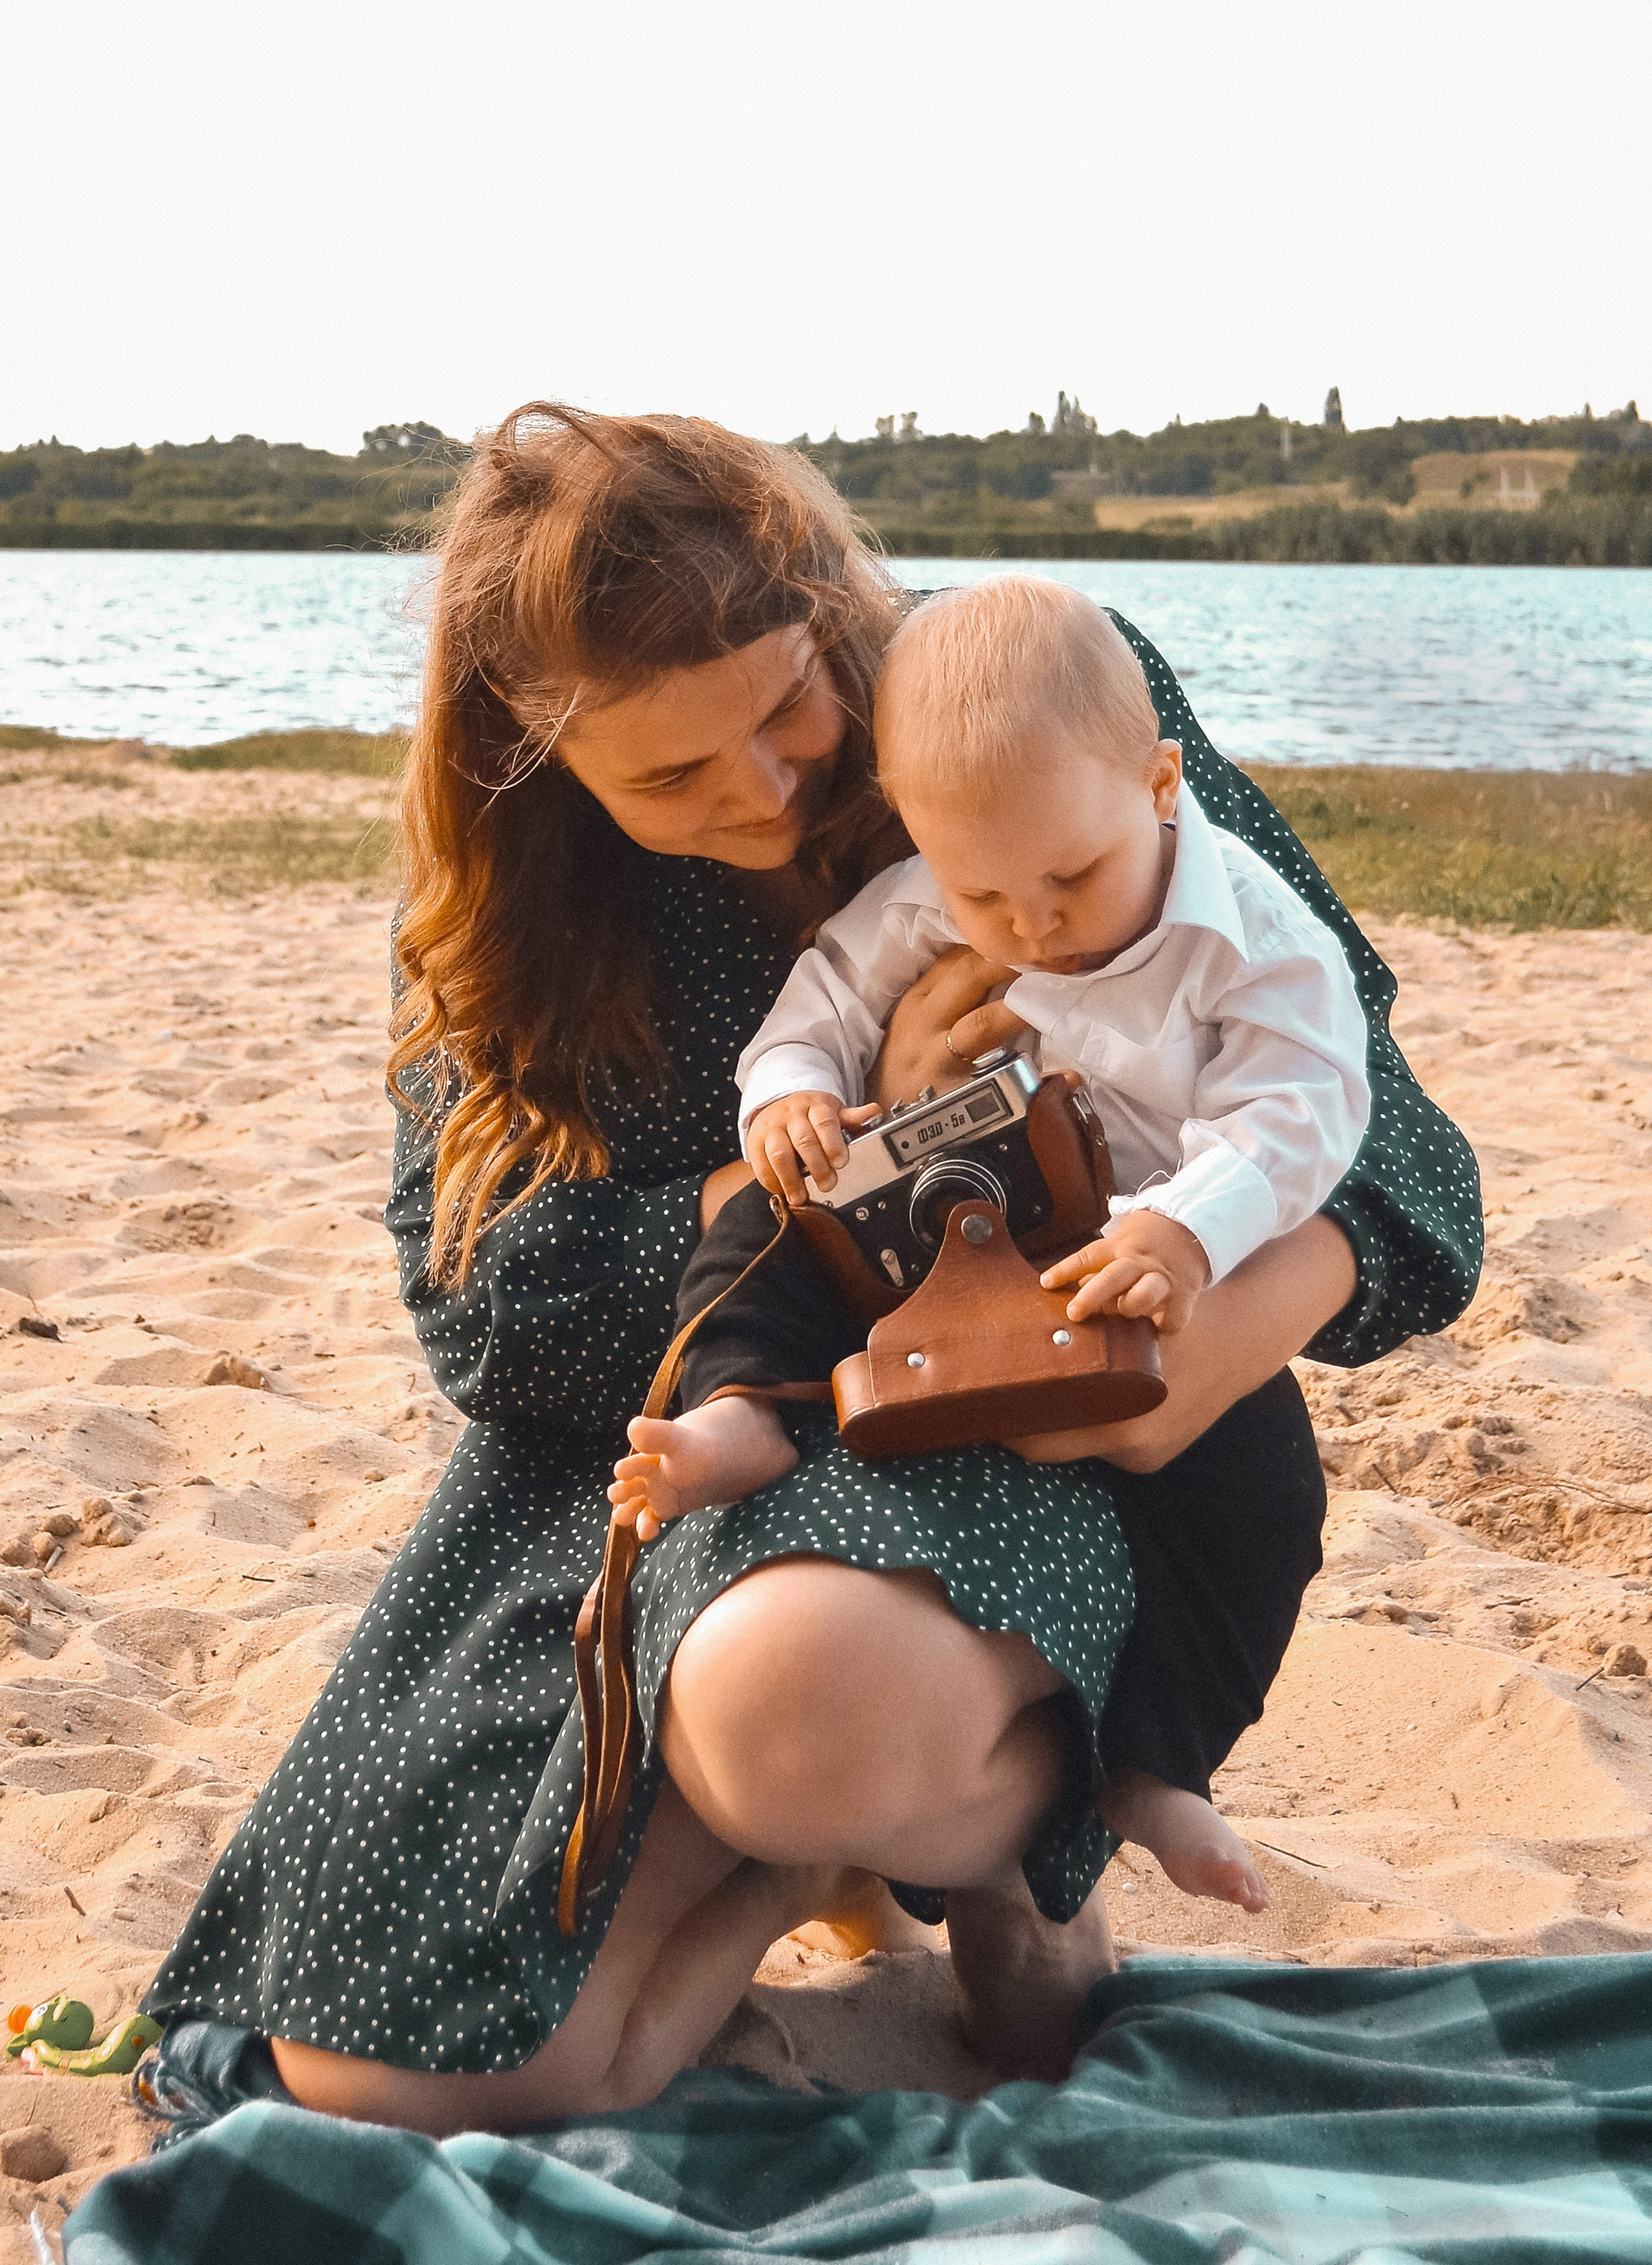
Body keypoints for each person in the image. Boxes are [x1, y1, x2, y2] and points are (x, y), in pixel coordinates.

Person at [139, 405, 1480, 2130]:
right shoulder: (514, 897)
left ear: (824, 609)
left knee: (803, 1712)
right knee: (411, 2077)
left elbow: (1402, 1141)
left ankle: (1017, 1851)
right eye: (671, 777)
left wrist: (1251, 1314)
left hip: (996, 1417)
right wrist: (860, 1156)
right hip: (694, 1426)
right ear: (548, 766)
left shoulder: (1031, 691)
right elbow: (485, 1308)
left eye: (786, 709)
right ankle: (805, 1875)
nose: (765, 790)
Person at [610, 574, 1371, 1909]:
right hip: (934, 1218)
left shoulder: (1250, 931)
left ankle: (1158, 1764)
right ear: (919, 837)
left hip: (1135, 1256)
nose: (1029, 923)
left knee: (1262, 1496)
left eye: (1068, 878)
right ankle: (736, 1414)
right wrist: (787, 1091)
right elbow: (820, 1003)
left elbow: (1307, 1110)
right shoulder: (926, 894)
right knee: (751, 1230)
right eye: (982, 892)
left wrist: (1185, 1234)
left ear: (1153, 782)